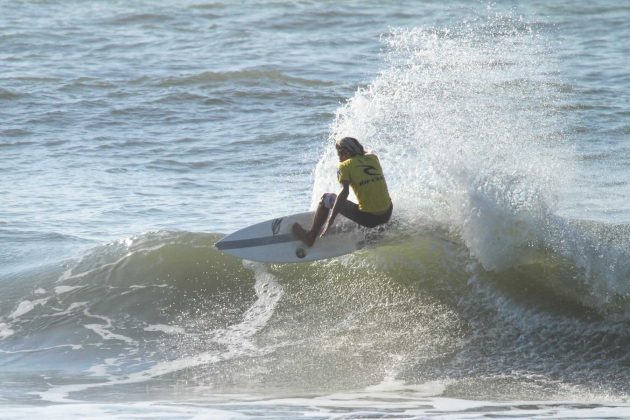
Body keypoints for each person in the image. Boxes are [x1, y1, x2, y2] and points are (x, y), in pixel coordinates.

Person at [292, 137, 393, 247]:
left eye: (339, 154)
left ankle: (310, 237)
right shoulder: (373, 158)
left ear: (344, 153)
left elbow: (344, 193)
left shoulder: (344, 166)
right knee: (370, 200)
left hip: (369, 219)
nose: (339, 158)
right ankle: (380, 229)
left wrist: (330, 220)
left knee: (326, 198)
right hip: (387, 214)